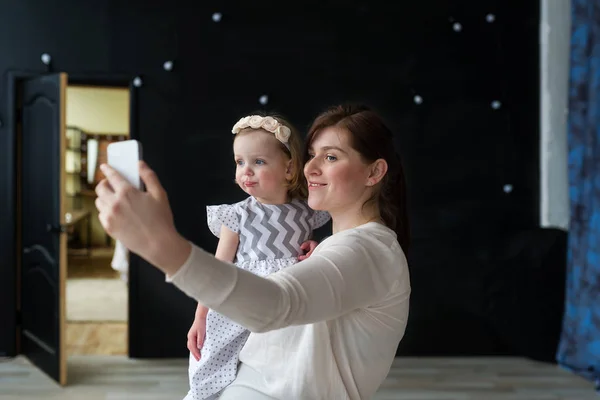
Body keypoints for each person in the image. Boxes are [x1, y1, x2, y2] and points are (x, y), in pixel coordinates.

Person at [94, 104, 411, 399]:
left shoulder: (368, 251)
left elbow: (278, 304)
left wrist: (160, 244)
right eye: (312, 155)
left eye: (330, 157)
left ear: (374, 172)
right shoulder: (334, 247)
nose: (310, 167)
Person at [183, 114, 330, 399]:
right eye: (240, 162)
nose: (246, 171)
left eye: (258, 162)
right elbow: (216, 271)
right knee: (217, 356)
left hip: (289, 299)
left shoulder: (307, 211)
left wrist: (316, 245)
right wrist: (200, 316)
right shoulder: (237, 214)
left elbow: (330, 244)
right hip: (245, 297)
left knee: (289, 360)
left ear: (289, 169)